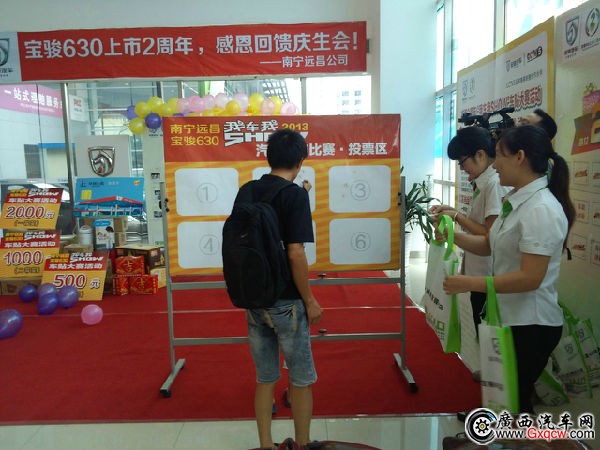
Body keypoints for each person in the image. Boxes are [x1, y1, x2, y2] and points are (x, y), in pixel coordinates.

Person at [442, 125, 575, 413]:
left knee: (516, 403)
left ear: (520, 157)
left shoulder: (541, 209)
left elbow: (530, 278)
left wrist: (472, 283)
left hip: (532, 323)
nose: (495, 164)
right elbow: (490, 244)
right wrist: (451, 236)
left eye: (500, 155)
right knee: (505, 398)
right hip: (510, 316)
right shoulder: (517, 201)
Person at [234, 128, 323, 449]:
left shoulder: (247, 191)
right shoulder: (294, 195)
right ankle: (302, 443)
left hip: (254, 297)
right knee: (300, 380)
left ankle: (265, 444)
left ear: (268, 157)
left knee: (265, 379)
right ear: (300, 161)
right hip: (287, 301)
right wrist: (309, 299)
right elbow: (295, 252)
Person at [429, 126, 509, 349]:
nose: (462, 169)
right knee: (481, 328)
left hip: (488, 273)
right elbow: (481, 227)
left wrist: (456, 217)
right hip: (480, 270)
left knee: (488, 332)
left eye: (462, 162)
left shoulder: (493, 184)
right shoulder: (484, 182)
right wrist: (454, 214)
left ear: (480, 155)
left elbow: (489, 235)